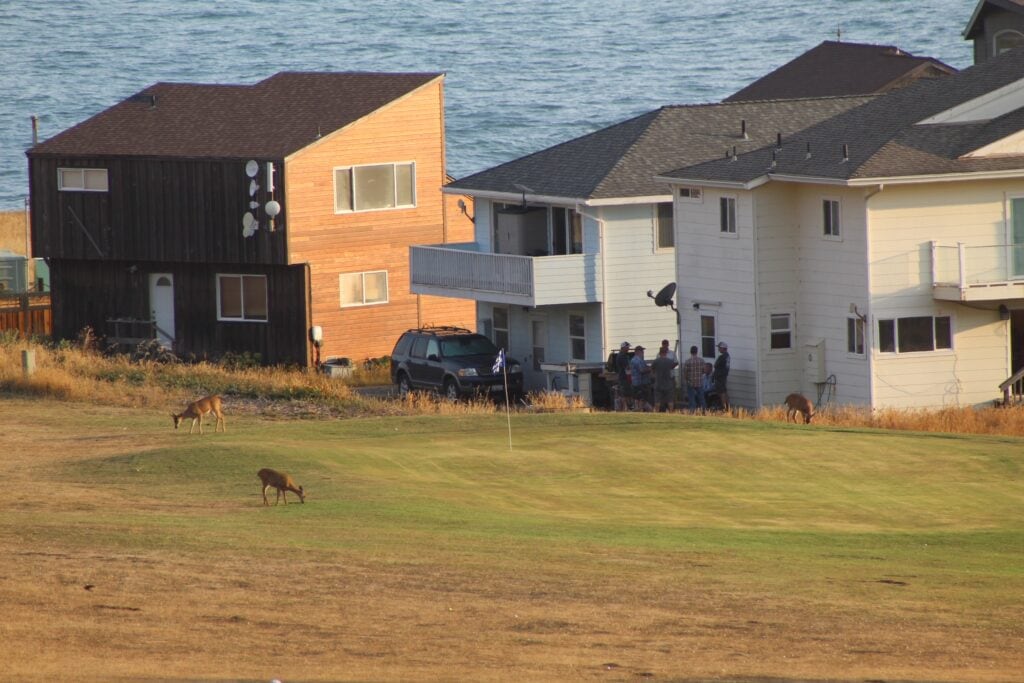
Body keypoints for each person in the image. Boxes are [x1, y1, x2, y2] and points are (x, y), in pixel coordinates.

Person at [650, 346, 679, 413]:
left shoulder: (656, 361)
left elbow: (652, 370)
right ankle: (671, 411)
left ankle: (657, 412)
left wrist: (654, 376)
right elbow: (674, 366)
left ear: (660, 353)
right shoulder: (669, 361)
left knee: (657, 400)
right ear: (666, 353)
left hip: (658, 383)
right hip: (668, 383)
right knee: (670, 400)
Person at [681, 345, 706, 413]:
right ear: (697, 352)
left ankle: (693, 411)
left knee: (691, 398)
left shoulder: (688, 361)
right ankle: (703, 410)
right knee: (701, 398)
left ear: (690, 352)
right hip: (699, 382)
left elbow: (685, 373)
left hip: (690, 382)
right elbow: (704, 371)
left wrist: (687, 379)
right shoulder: (701, 361)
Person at [629, 345, 653, 411]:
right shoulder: (636, 360)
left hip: (642, 382)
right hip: (638, 383)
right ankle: (639, 409)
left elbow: (645, 366)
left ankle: (641, 409)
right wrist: (650, 369)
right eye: (641, 351)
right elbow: (641, 370)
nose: (643, 352)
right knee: (640, 398)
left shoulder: (641, 360)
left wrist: (649, 367)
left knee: (641, 398)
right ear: (637, 351)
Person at [713, 341, 731, 411]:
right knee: (724, 391)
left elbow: (715, 365)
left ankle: (724, 407)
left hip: (720, 377)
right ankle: (727, 406)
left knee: (722, 392)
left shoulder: (722, 357)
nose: (719, 349)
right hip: (723, 376)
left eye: (720, 348)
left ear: (723, 348)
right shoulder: (727, 356)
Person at [615, 341, 632, 411]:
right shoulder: (622, 356)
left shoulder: (621, 355)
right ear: (623, 347)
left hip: (623, 377)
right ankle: (625, 407)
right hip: (624, 377)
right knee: (624, 393)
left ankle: (626, 407)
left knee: (625, 393)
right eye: (627, 347)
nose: (628, 349)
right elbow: (627, 367)